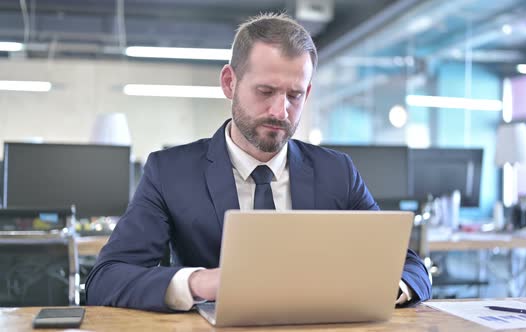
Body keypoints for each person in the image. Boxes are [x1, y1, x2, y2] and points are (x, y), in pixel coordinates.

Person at [86, 12, 431, 312]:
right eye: (265, 91)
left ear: (307, 93)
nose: (280, 111)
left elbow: (410, 266)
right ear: (229, 82)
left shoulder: (336, 171)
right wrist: (200, 283)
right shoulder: (170, 172)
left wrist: (388, 288)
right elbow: (106, 279)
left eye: (294, 95)